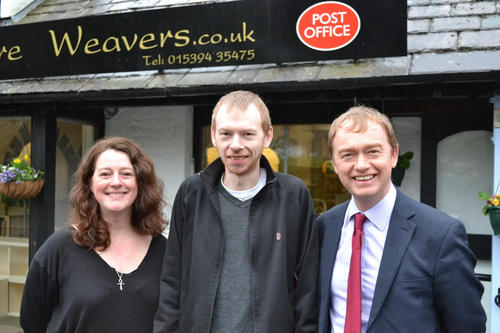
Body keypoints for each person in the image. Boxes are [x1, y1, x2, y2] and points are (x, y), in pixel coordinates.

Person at [153, 90, 319, 333]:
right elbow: (172, 280)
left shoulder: (293, 196)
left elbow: (308, 286)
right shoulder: (192, 194)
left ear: (267, 136)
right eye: (226, 134)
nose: (236, 145)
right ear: (213, 135)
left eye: (248, 134)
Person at [317, 105, 486, 333]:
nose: (361, 165)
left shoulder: (440, 234)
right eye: (348, 154)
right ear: (335, 164)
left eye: (373, 151)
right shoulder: (323, 228)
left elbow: (467, 326)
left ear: (394, 155)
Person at [20, 137, 168, 333]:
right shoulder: (59, 248)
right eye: (105, 174)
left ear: (139, 182)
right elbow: (33, 322)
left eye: (126, 174)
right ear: (90, 184)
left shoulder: (164, 250)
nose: (116, 182)